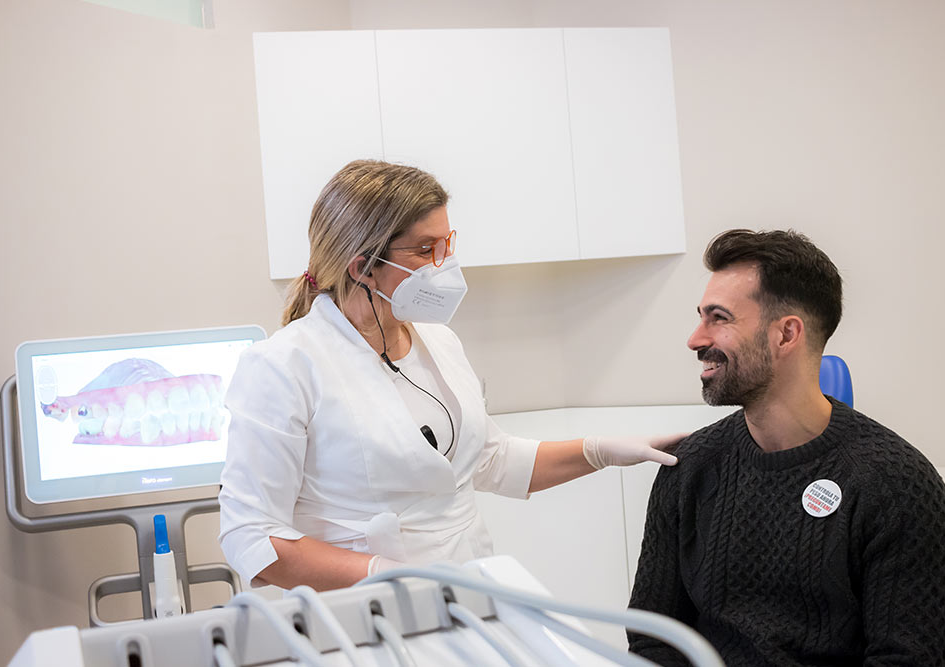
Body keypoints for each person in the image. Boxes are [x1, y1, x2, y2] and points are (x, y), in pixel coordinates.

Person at [218, 159, 685, 591]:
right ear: (362, 267)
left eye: (448, 245)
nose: (446, 264)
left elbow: (488, 460)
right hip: (357, 611)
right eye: (426, 250)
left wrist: (599, 451)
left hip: (465, 585)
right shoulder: (283, 367)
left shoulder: (437, 342)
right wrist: (385, 574)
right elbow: (251, 536)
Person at [628, 229, 945, 666]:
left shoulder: (898, 486)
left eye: (719, 318)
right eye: (700, 316)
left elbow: (906, 660)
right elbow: (653, 640)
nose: (695, 338)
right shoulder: (689, 468)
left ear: (786, 335)